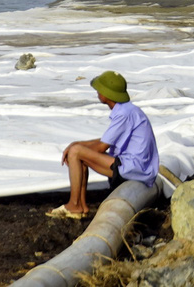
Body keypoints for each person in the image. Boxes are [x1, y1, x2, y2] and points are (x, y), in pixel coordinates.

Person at [53, 71, 159, 220]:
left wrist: (74, 150)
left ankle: (74, 205)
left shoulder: (123, 114)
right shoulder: (127, 110)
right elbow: (106, 140)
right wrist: (76, 144)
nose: (97, 92)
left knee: (77, 153)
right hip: (136, 165)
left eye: (99, 90)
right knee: (77, 150)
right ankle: (80, 206)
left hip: (134, 169)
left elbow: (102, 147)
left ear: (107, 94)